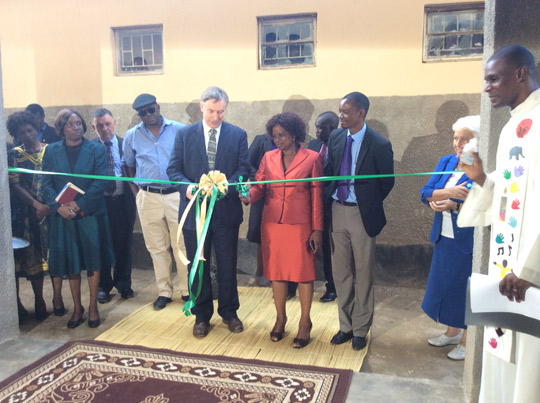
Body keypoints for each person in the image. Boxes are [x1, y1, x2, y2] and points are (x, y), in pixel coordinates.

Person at [458, 45, 540, 402]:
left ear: (521, 73)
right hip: (506, 263)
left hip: (528, 274)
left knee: (528, 366)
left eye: (493, 78)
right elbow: (510, 195)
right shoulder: (511, 128)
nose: (487, 87)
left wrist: (530, 270)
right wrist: (480, 179)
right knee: (502, 348)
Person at [167, 86, 250, 338]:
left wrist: (229, 185)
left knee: (227, 264)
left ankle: (229, 312)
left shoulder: (237, 135)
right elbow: (173, 171)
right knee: (198, 265)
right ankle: (201, 315)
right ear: (201, 107)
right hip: (195, 213)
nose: (216, 117)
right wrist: (188, 187)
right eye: (212, 111)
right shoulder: (184, 134)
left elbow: (244, 167)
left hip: (226, 212)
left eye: (221, 112)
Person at [240, 112, 323, 348]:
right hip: (273, 224)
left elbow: (317, 196)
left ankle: (305, 322)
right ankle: (280, 318)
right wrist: (247, 195)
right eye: (274, 135)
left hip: (300, 226)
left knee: (304, 274)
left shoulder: (312, 158)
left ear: (294, 134)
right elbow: (260, 186)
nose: (277, 139)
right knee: (276, 273)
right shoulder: (268, 157)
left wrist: (317, 229)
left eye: (282, 135)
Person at [324, 92, 394, 351]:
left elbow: (387, 182)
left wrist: (366, 201)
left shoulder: (379, 144)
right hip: (337, 209)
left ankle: (361, 329)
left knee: (363, 273)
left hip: (361, 214)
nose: (340, 116)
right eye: (340, 110)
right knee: (340, 272)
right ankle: (346, 325)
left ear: (361, 114)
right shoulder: (335, 137)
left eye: (345, 112)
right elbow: (330, 170)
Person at [41, 109, 114, 329]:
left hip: (89, 213)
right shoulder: (51, 151)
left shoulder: (95, 149)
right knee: (71, 261)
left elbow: (101, 180)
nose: (77, 127)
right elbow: (45, 183)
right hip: (63, 216)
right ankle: (77, 307)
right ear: (61, 129)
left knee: (92, 259)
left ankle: (93, 307)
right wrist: (56, 207)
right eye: (71, 124)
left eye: (79, 123)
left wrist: (80, 204)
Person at [420, 115, 480, 360]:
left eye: (464, 139)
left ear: (476, 141)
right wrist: (447, 194)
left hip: (465, 237)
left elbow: (478, 200)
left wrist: (451, 204)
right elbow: (425, 192)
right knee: (444, 284)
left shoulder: (479, 166)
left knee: (463, 288)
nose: (458, 143)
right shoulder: (446, 161)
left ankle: (467, 340)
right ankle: (452, 331)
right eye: (456, 138)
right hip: (443, 235)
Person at [123, 93, 190, 310]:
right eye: (142, 113)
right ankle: (164, 292)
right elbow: (128, 166)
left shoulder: (180, 130)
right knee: (156, 247)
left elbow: (188, 161)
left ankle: (187, 290)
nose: (148, 115)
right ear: (138, 115)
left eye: (151, 110)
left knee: (180, 244)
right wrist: (137, 193)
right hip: (148, 197)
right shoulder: (132, 135)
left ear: (158, 107)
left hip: (175, 195)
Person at [7, 111, 50, 322]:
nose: (27, 134)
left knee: (43, 258)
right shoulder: (14, 154)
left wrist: (48, 205)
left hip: (49, 211)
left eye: (30, 130)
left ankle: (41, 299)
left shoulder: (49, 150)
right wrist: (35, 204)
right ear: (16, 135)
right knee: (24, 258)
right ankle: (17, 303)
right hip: (24, 213)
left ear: (36, 128)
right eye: (21, 132)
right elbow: (14, 184)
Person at [91, 108, 136, 302]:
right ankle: (104, 286)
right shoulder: (90, 148)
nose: (104, 128)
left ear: (115, 123)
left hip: (122, 203)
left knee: (123, 245)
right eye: (100, 125)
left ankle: (124, 284)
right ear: (94, 127)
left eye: (108, 124)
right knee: (101, 246)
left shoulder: (125, 144)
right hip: (101, 204)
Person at [308, 111, 339, 303]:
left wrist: (325, 196)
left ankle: (332, 287)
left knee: (330, 249)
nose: (317, 131)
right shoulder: (313, 145)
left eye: (322, 127)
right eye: (316, 126)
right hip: (311, 204)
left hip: (332, 205)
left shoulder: (340, 146)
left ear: (333, 129)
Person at [246, 133, 275, 287]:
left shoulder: (292, 141)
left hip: (280, 194)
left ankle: (275, 272)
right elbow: (247, 163)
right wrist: (260, 177)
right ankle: (260, 272)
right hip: (261, 192)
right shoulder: (261, 140)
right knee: (261, 233)